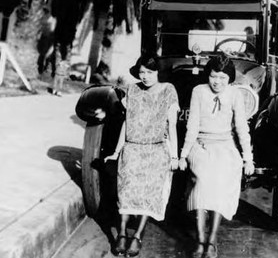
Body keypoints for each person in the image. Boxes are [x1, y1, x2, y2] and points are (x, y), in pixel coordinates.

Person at [179, 54, 255, 258]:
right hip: (201, 145)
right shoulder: (198, 91)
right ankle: (200, 240)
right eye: (214, 76)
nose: (217, 82)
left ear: (230, 78)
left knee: (221, 181)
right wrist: (184, 153)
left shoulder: (235, 94)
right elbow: (192, 125)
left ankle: (211, 241)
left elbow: (241, 127)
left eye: (222, 78)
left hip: (225, 146)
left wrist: (248, 157)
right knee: (203, 180)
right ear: (208, 75)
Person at [104, 56, 181, 257]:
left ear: (158, 73)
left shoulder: (168, 90)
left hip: (156, 149)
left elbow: (171, 125)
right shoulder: (132, 89)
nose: (145, 77)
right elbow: (126, 123)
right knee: (126, 190)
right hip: (132, 147)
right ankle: (121, 232)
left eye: (150, 72)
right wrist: (116, 151)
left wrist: (174, 156)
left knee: (148, 195)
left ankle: (137, 235)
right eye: (142, 72)